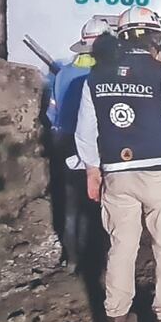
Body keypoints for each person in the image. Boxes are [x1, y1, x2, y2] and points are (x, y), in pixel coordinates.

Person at [75, 6, 161, 322]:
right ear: (154, 37)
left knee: (121, 248)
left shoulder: (95, 78)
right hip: (159, 174)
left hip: (116, 175)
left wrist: (92, 169)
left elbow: (86, 132)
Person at [45, 17, 113, 270]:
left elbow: (52, 113)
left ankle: (72, 258)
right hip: (93, 144)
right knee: (97, 201)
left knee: (71, 204)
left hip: (63, 142)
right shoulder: (101, 76)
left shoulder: (63, 73)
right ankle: (97, 260)